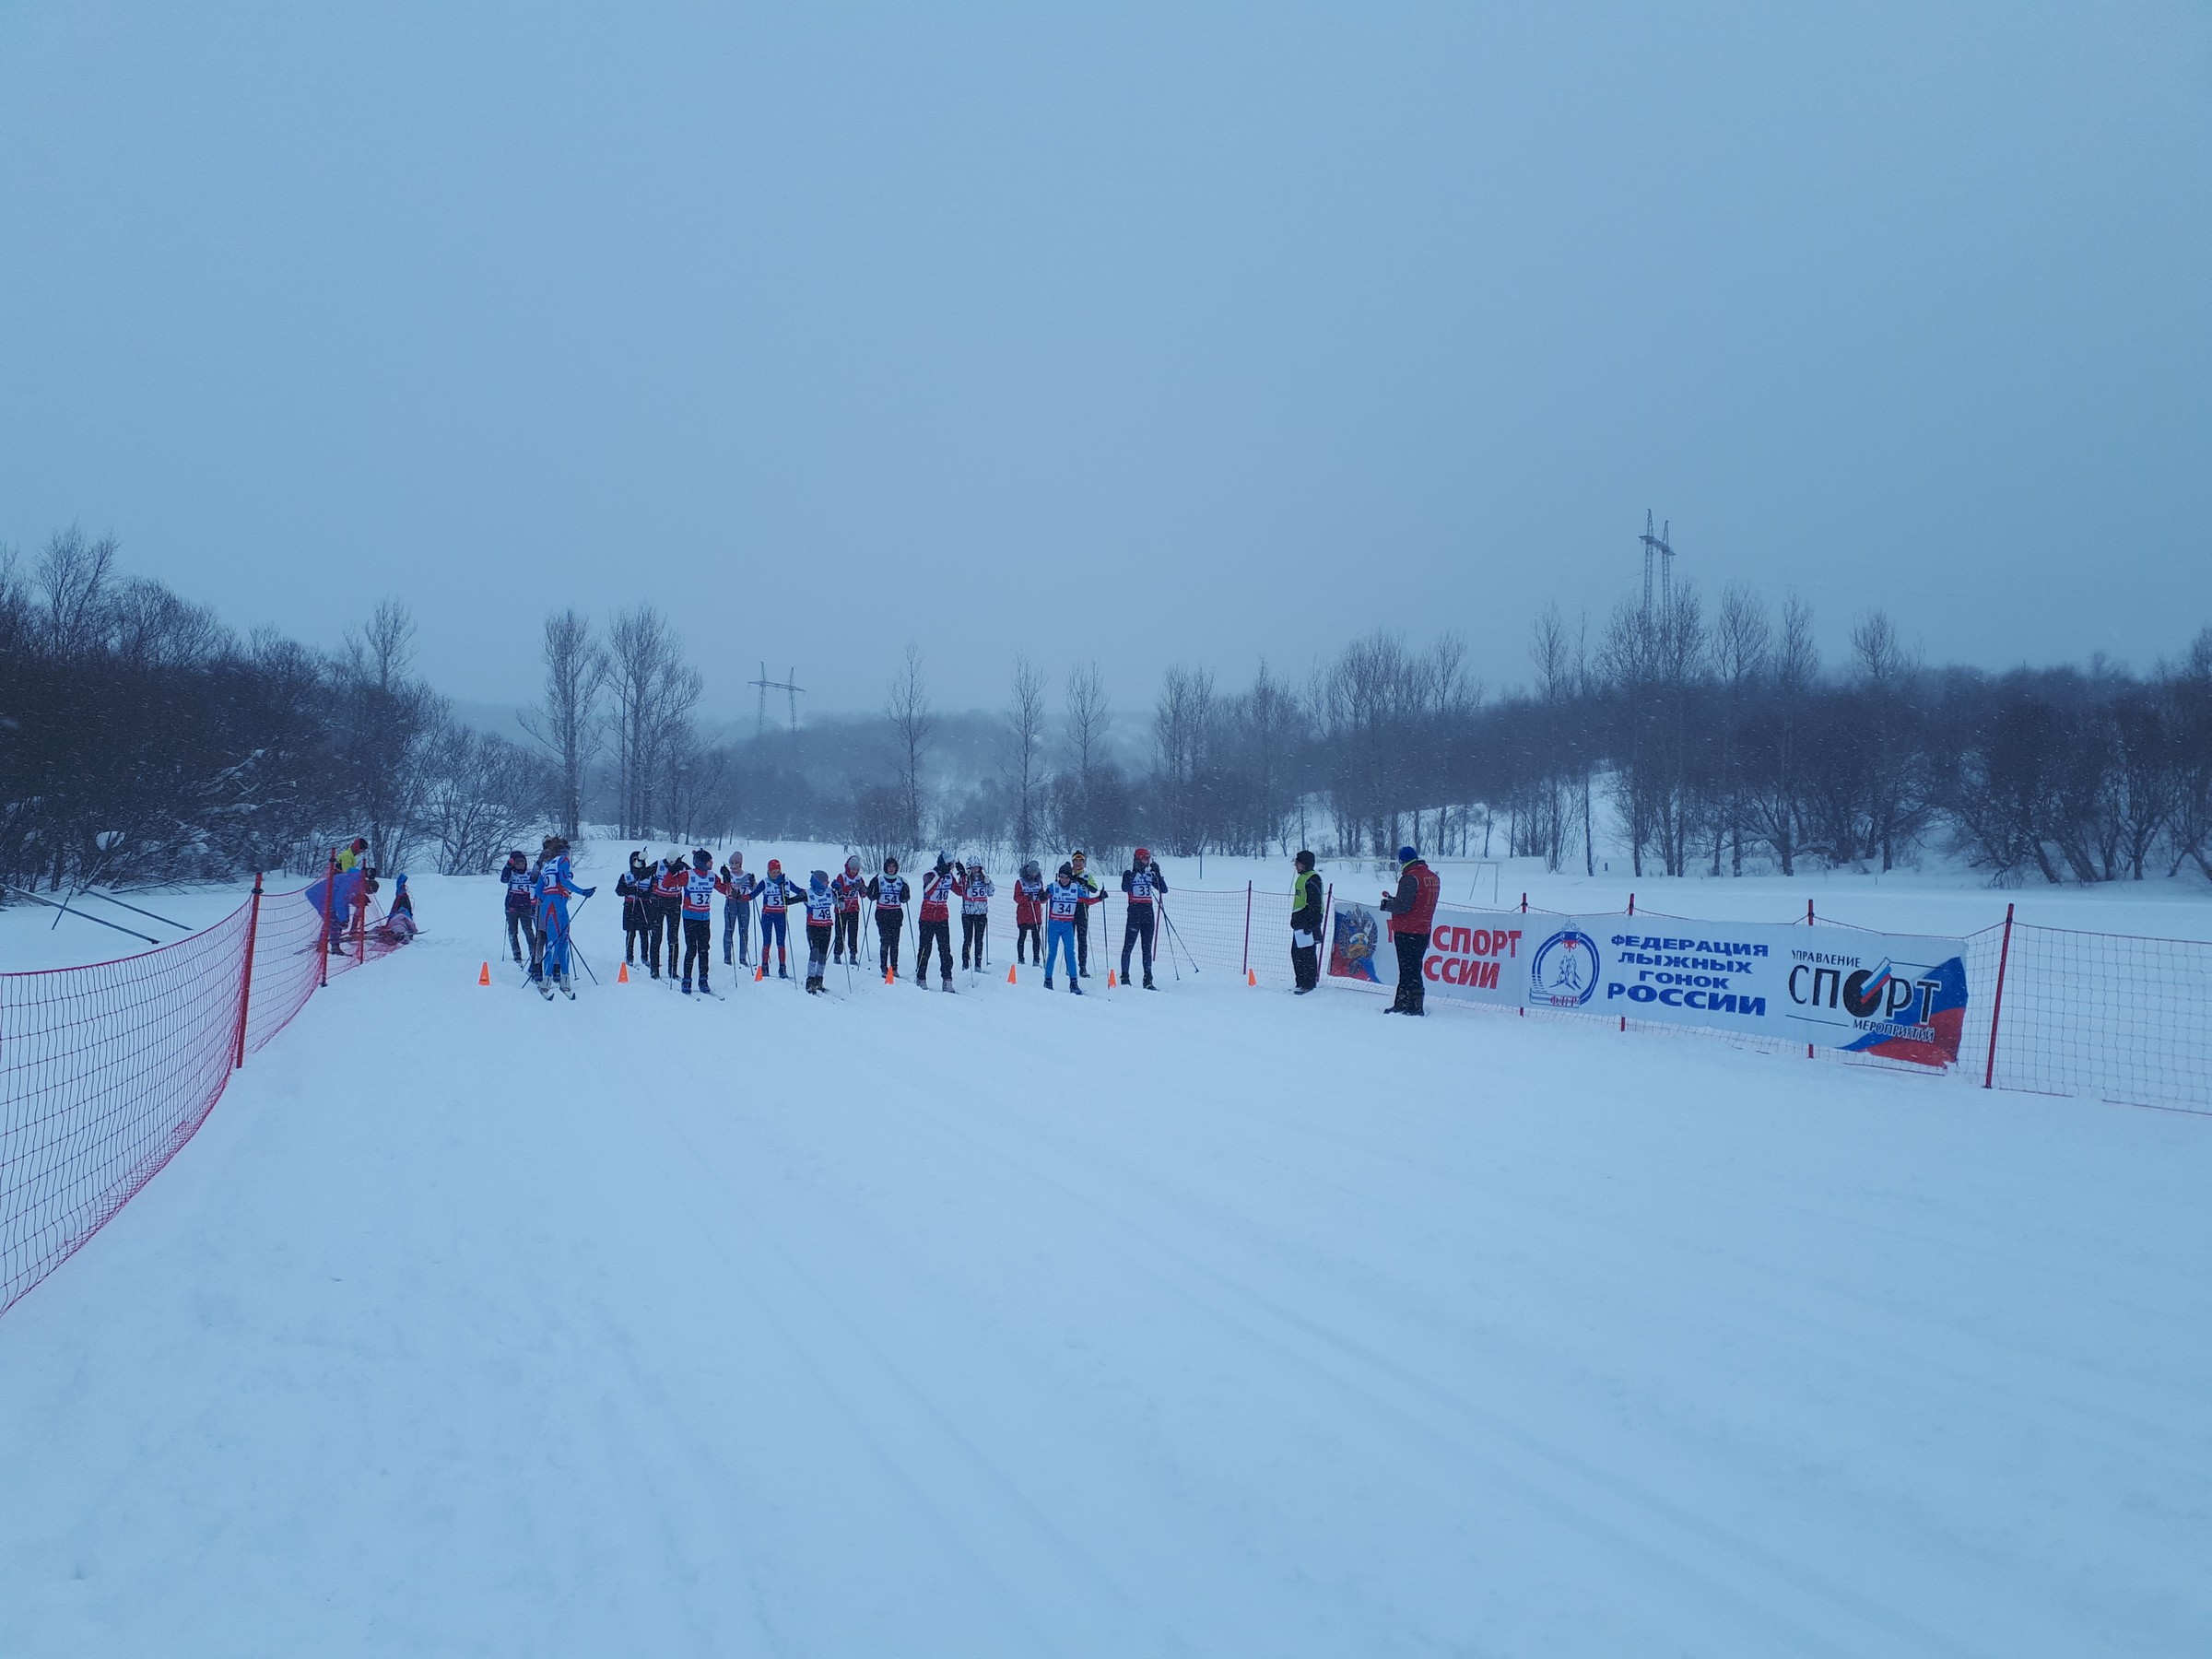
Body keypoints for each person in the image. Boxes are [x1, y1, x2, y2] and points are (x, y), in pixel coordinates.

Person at [1378, 844, 1440, 1014]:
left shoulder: (1410, 877)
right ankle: (1411, 1004)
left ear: (1402, 861)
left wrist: (1387, 904)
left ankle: (1409, 1005)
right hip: (1423, 929)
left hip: (1407, 929)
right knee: (1413, 968)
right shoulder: (1432, 877)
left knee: (1407, 970)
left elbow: (1403, 906)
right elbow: (1418, 901)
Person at [535, 835, 597, 996]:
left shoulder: (546, 865)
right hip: (557, 904)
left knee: (558, 941)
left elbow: (537, 891)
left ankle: (559, 981)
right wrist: (583, 892)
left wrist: (548, 897)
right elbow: (564, 881)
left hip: (551, 904)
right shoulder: (563, 861)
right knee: (558, 942)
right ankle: (550, 981)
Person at [1042, 861, 1102, 993]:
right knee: (1052, 953)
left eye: (1066, 877)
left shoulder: (1075, 888)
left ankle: (1074, 983)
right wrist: (1043, 896)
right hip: (1054, 924)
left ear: (1070, 877)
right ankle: (1048, 980)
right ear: (1059, 876)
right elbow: (1042, 899)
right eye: (1061, 877)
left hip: (1067, 926)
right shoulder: (1053, 886)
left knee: (1070, 953)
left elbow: (1087, 900)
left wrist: (1099, 898)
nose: (1063, 880)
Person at [1119, 847, 1168, 989]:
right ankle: (1125, 977)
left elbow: (1163, 889)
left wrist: (1157, 873)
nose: (1147, 861)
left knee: (1147, 948)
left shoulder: (1149, 875)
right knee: (1128, 946)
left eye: (1149, 859)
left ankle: (1148, 980)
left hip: (1148, 913)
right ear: (1138, 859)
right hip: (1134, 912)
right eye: (1145, 858)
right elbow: (1125, 887)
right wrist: (1135, 873)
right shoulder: (1129, 874)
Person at [914, 853, 960, 991]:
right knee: (925, 948)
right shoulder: (930, 874)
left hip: (942, 916)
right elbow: (928, 890)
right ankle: (921, 977)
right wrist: (939, 875)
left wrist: (963, 876)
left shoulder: (949, 877)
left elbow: (960, 892)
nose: (952, 867)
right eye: (950, 864)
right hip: (927, 916)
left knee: (945, 950)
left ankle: (947, 980)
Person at [677, 849, 719, 994]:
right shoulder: (688, 875)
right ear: (702, 863)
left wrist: (727, 879)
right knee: (691, 949)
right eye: (709, 861)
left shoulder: (712, 876)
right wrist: (673, 869)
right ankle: (687, 980)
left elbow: (726, 890)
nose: (712, 863)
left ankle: (703, 980)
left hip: (704, 918)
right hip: (690, 917)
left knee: (704, 949)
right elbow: (670, 884)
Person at [756, 858, 802, 978]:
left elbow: (798, 891)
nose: (776, 875)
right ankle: (764, 966)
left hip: (780, 915)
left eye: (778, 872)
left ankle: (782, 968)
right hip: (767, 915)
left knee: (781, 942)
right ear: (769, 871)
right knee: (767, 941)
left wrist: (813, 892)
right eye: (773, 872)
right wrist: (738, 896)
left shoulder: (785, 881)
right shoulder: (765, 882)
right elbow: (752, 894)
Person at [867, 856, 909, 980]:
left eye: (893, 867)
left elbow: (905, 899)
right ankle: (883, 968)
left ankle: (894, 968)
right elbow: (871, 896)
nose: (891, 869)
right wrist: (872, 886)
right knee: (885, 941)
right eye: (889, 867)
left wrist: (905, 892)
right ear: (886, 867)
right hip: (882, 913)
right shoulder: (879, 880)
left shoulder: (901, 881)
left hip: (896, 913)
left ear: (896, 868)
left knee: (895, 942)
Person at [1290, 850, 1324, 994]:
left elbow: (1316, 904)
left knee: (1307, 955)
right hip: (1299, 922)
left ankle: (1308, 984)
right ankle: (1300, 982)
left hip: (1308, 923)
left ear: (1306, 864)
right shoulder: (1302, 878)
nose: (1296, 866)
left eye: (1298, 863)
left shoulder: (1313, 879)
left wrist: (1311, 924)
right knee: (1296, 954)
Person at [648, 853, 685, 980]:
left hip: (674, 903)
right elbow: (642, 874)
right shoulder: (658, 864)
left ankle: (673, 970)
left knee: (673, 937)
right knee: (656, 936)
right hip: (658, 903)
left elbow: (697, 874)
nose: (671, 864)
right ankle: (654, 969)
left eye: (673, 862)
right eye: (669, 862)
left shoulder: (683, 866)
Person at [802, 869, 837, 994]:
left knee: (823, 955)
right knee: (814, 952)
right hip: (813, 927)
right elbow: (790, 901)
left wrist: (839, 892)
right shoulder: (808, 893)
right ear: (818, 882)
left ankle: (819, 979)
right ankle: (810, 980)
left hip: (826, 927)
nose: (827, 883)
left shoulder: (829, 892)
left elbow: (841, 906)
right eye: (825, 881)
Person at [502, 849, 539, 969]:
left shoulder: (529, 873)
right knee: (513, 931)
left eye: (523, 862)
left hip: (526, 906)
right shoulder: (511, 873)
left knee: (528, 931)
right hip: (512, 907)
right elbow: (503, 879)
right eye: (518, 862)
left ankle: (534, 955)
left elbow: (537, 882)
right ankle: (516, 955)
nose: (521, 864)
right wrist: (508, 865)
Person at [1067, 850, 1102, 976]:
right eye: (1075, 861)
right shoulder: (1068, 872)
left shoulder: (1087, 874)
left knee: (1082, 940)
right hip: (1069, 909)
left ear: (1083, 862)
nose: (1078, 864)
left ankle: (1083, 968)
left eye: (1080, 861)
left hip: (1083, 909)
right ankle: (1069, 967)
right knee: (1069, 940)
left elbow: (1094, 889)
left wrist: (1085, 883)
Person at [720, 852, 757, 969]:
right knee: (729, 930)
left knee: (744, 931)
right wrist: (725, 879)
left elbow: (754, 889)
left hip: (744, 904)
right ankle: (727, 957)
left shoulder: (747, 875)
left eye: (736, 863)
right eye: (732, 863)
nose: (734, 865)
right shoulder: (728, 875)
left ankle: (743, 957)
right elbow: (725, 890)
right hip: (731, 903)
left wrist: (753, 881)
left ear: (741, 863)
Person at [617, 851, 653, 966]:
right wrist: (630, 890)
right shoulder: (626, 875)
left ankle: (644, 957)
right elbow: (619, 891)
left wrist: (645, 893)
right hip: (630, 906)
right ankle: (629, 957)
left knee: (644, 933)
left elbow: (653, 891)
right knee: (630, 932)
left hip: (644, 906)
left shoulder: (649, 876)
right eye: (634, 860)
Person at [959, 858, 994, 971]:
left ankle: (978, 964)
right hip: (968, 913)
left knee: (979, 939)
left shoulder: (984, 878)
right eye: (972, 867)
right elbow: (960, 890)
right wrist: (965, 877)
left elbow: (991, 892)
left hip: (981, 913)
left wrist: (989, 884)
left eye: (977, 867)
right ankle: (965, 964)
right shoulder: (965, 878)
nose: (975, 870)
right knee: (967, 939)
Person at [831, 855, 866, 964]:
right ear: (848, 867)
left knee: (853, 933)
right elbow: (839, 890)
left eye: (856, 869)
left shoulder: (859, 878)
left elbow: (863, 895)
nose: (854, 871)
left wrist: (863, 889)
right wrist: (851, 887)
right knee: (840, 933)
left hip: (854, 909)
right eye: (852, 869)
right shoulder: (841, 877)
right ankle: (837, 954)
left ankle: (853, 954)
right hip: (842, 909)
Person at [1012, 859, 1045, 963]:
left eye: (1036, 873)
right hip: (1023, 914)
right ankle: (1021, 959)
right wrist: (1026, 899)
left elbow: (1042, 897)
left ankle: (1036, 960)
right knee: (1022, 936)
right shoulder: (1020, 882)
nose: (1034, 875)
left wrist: (1044, 897)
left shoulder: (1039, 882)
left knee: (1036, 938)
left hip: (1036, 914)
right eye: (1032, 873)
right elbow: (1016, 898)